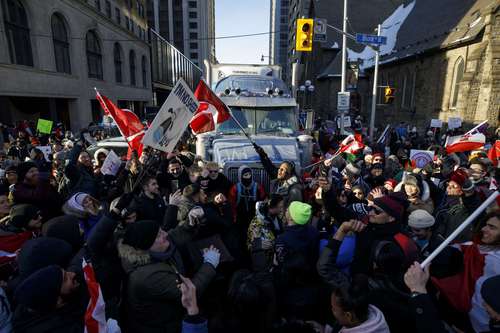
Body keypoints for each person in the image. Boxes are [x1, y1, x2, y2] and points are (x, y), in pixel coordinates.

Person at [117, 219, 219, 333]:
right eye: (159, 235)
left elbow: (172, 236)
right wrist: (210, 264)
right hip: (165, 327)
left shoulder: (153, 252)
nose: (165, 234)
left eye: (162, 231)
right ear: (147, 245)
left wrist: (189, 224)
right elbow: (190, 294)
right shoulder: (149, 277)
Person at [12, 265, 86, 332]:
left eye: (66, 272)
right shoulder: (70, 327)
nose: (73, 274)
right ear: (58, 302)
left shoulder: (30, 304)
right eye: (66, 279)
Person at [247, 194, 284, 270]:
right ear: (272, 208)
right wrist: (259, 245)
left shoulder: (277, 217)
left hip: (276, 259)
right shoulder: (256, 223)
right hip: (264, 264)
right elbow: (249, 245)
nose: (282, 209)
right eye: (280, 207)